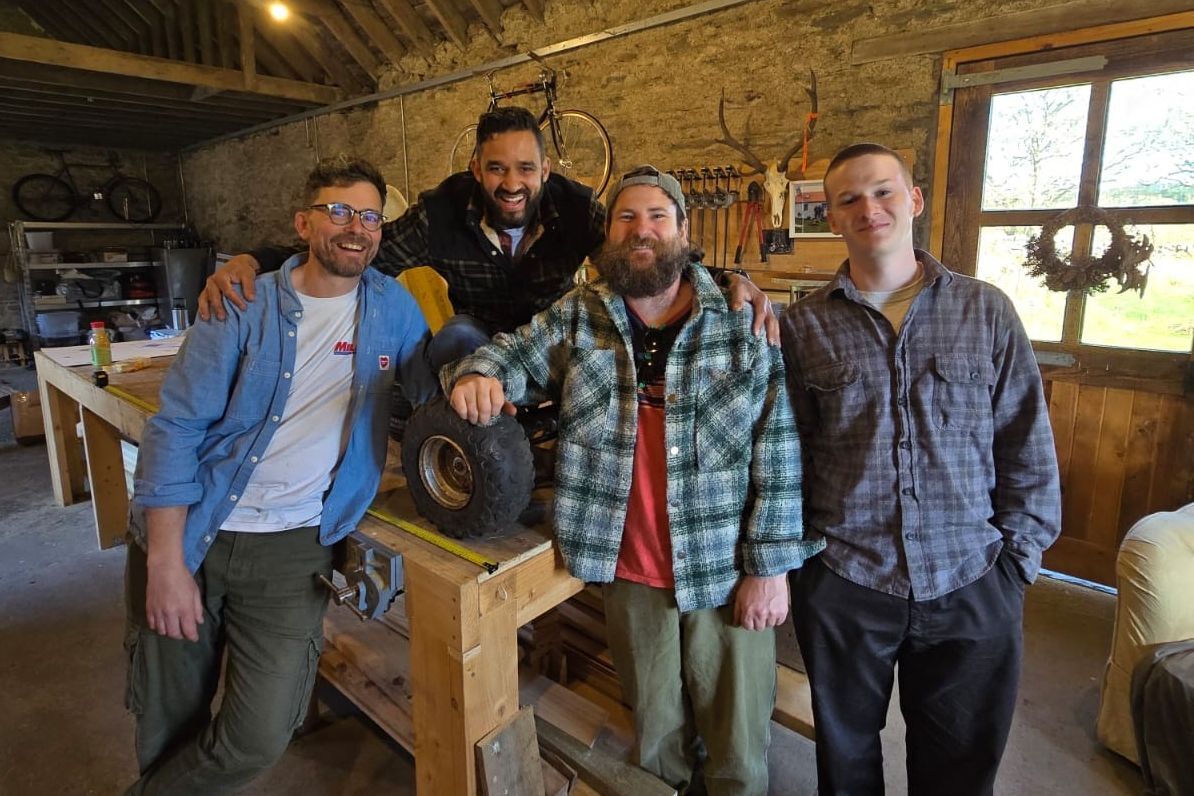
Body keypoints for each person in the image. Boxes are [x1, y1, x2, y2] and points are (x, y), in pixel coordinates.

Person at [447, 165, 822, 795]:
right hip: (628, 571)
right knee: (656, 740)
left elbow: (778, 449)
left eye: (656, 216)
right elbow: (509, 353)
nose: (640, 229)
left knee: (739, 755)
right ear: (609, 234)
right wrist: (477, 373)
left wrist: (770, 568)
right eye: (626, 217)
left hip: (723, 568)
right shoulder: (579, 317)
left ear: (681, 231)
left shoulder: (740, 323)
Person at [123, 156, 436, 795]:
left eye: (370, 215)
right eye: (338, 211)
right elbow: (176, 428)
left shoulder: (394, 308)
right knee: (168, 718)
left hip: (294, 547)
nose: (355, 228)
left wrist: (487, 382)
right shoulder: (243, 303)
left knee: (261, 732)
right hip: (194, 530)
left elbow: (436, 388)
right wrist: (164, 562)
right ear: (303, 222)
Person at [779, 143, 1062, 796]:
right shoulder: (803, 327)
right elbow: (788, 453)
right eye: (847, 199)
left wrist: (1017, 559)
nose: (867, 208)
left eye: (882, 191)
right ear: (831, 216)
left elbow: (1026, 439)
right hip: (848, 578)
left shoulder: (986, 311)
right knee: (845, 767)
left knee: (960, 769)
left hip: (972, 577)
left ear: (914, 200)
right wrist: (804, 569)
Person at [198, 107, 778, 369]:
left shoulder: (578, 211)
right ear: (476, 169)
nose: (512, 183)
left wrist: (730, 280)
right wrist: (257, 258)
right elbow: (357, 249)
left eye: (525, 168)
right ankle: (454, 440)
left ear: (545, 172)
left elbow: (648, 253)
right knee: (450, 339)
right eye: (497, 168)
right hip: (477, 333)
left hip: (554, 332)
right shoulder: (440, 213)